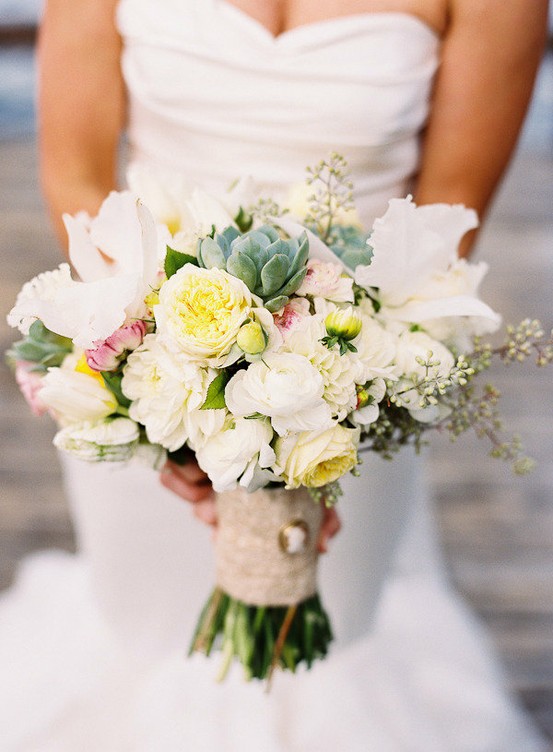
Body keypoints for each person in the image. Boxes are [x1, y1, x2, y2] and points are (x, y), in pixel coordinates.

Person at [0, 1, 550, 749]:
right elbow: (76, 171)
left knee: (331, 644)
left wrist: (319, 407)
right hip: (146, 368)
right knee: (145, 628)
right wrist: (168, 376)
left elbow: (447, 211)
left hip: (356, 372)